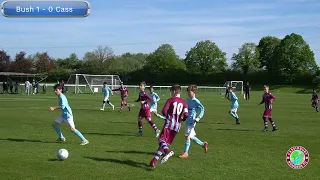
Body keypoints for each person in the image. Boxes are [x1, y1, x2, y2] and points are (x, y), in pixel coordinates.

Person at [149, 84, 188, 168]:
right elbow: (186, 115)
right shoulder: (184, 102)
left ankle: (167, 151)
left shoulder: (171, 100)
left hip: (169, 123)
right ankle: (153, 162)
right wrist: (181, 119)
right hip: (177, 126)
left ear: (174, 91)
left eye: (171, 92)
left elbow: (163, 111)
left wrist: (168, 117)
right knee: (163, 143)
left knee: (161, 140)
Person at [179, 85, 208, 159]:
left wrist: (198, 118)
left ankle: (186, 153)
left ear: (194, 92)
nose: (188, 93)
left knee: (188, 136)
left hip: (192, 120)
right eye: (188, 92)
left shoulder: (196, 101)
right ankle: (203, 144)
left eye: (190, 92)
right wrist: (182, 115)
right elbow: (185, 108)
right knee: (190, 136)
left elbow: (202, 109)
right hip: (188, 120)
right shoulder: (188, 99)